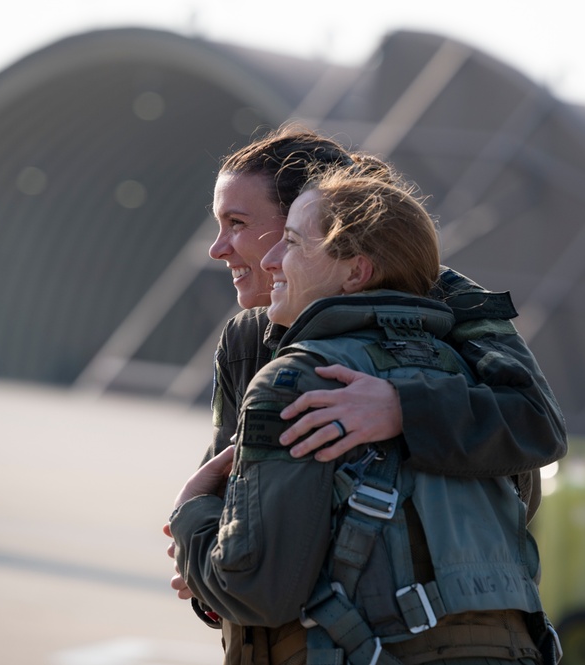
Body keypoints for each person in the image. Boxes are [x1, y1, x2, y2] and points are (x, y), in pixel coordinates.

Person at [169, 168, 559, 664]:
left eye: (285, 238)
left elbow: (256, 587)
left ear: (356, 270)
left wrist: (191, 516)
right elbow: (516, 498)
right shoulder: (471, 370)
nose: (267, 260)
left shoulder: (297, 379)